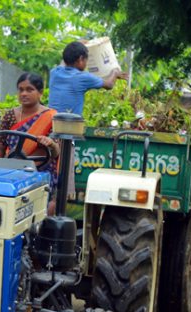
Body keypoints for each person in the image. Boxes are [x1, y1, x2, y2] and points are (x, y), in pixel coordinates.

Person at [48, 41, 128, 196]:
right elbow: (109, 84)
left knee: (49, 181)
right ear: (80, 60)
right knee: (62, 188)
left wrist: (76, 45)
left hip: (49, 131)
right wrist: (115, 73)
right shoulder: (82, 77)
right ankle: (57, 215)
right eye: (86, 59)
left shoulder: (55, 72)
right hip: (65, 136)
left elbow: (63, 61)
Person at [0, 73, 59, 214]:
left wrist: (50, 144)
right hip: (11, 169)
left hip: (39, 172)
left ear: (40, 93)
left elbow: (56, 152)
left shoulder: (51, 117)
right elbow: (0, 144)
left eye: (29, 89)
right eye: (20, 89)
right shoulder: (10, 115)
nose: (24, 94)